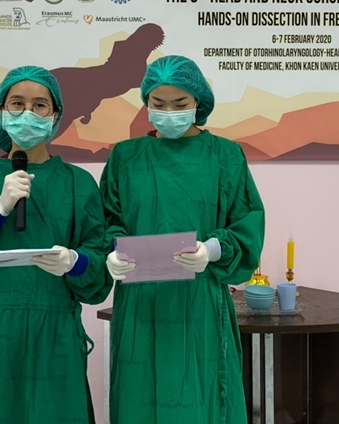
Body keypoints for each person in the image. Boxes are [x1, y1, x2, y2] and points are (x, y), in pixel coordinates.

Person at [0, 65, 111, 424]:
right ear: (1, 110)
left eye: (40, 105)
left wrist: (74, 262)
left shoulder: (78, 185)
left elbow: (100, 268)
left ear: (55, 115)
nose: (28, 112)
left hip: (54, 335)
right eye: (17, 103)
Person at [100, 55, 265, 424]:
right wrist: (112, 251)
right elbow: (107, 222)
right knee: (139, 399)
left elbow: (246, 222)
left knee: (201, 400)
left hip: (200, 303)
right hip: (140, 304)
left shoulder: (225, 155)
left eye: (180, 104)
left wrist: (213, 249)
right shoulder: (125, 157)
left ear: (198, 103)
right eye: (158, 104)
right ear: (146, 101)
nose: (168, 113)